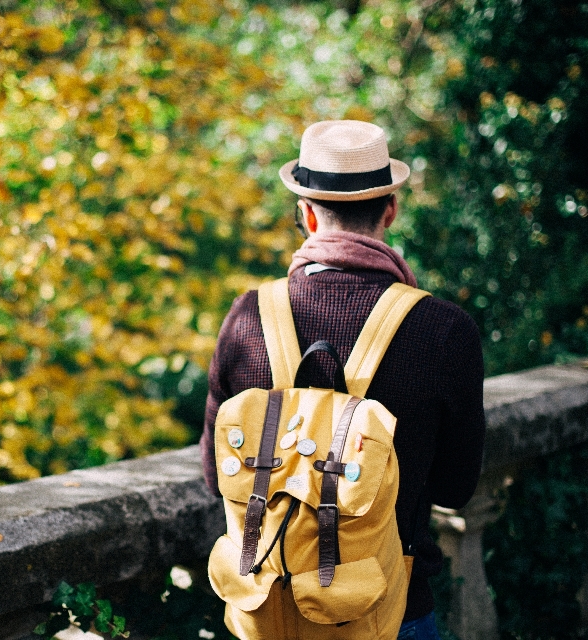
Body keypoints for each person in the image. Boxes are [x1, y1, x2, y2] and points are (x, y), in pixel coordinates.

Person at [200, 120, 486, 639]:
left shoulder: (248, 318)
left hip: (270, 616)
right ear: (391, 210)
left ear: (306, 215)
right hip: (389, 612)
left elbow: (213, 475)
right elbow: (455, 489)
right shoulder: (444, 330)